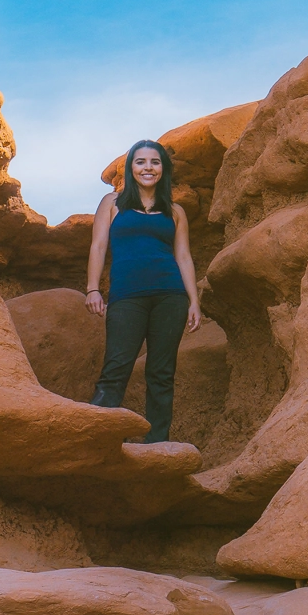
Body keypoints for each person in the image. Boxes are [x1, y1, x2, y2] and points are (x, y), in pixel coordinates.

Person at [85, 139, 201, 443]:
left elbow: (184, 257)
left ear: (163, 169)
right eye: (140, 162)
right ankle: (98, 439)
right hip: (127, 297)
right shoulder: (113, 203)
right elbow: (98, 246)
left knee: (161, 374)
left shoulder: (175, 211)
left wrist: (194, 301)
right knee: (116, 367)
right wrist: (93, 289)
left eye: (155, 162)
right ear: (131, 167)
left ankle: (156, 445)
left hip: (170, 296)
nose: (148, 168)